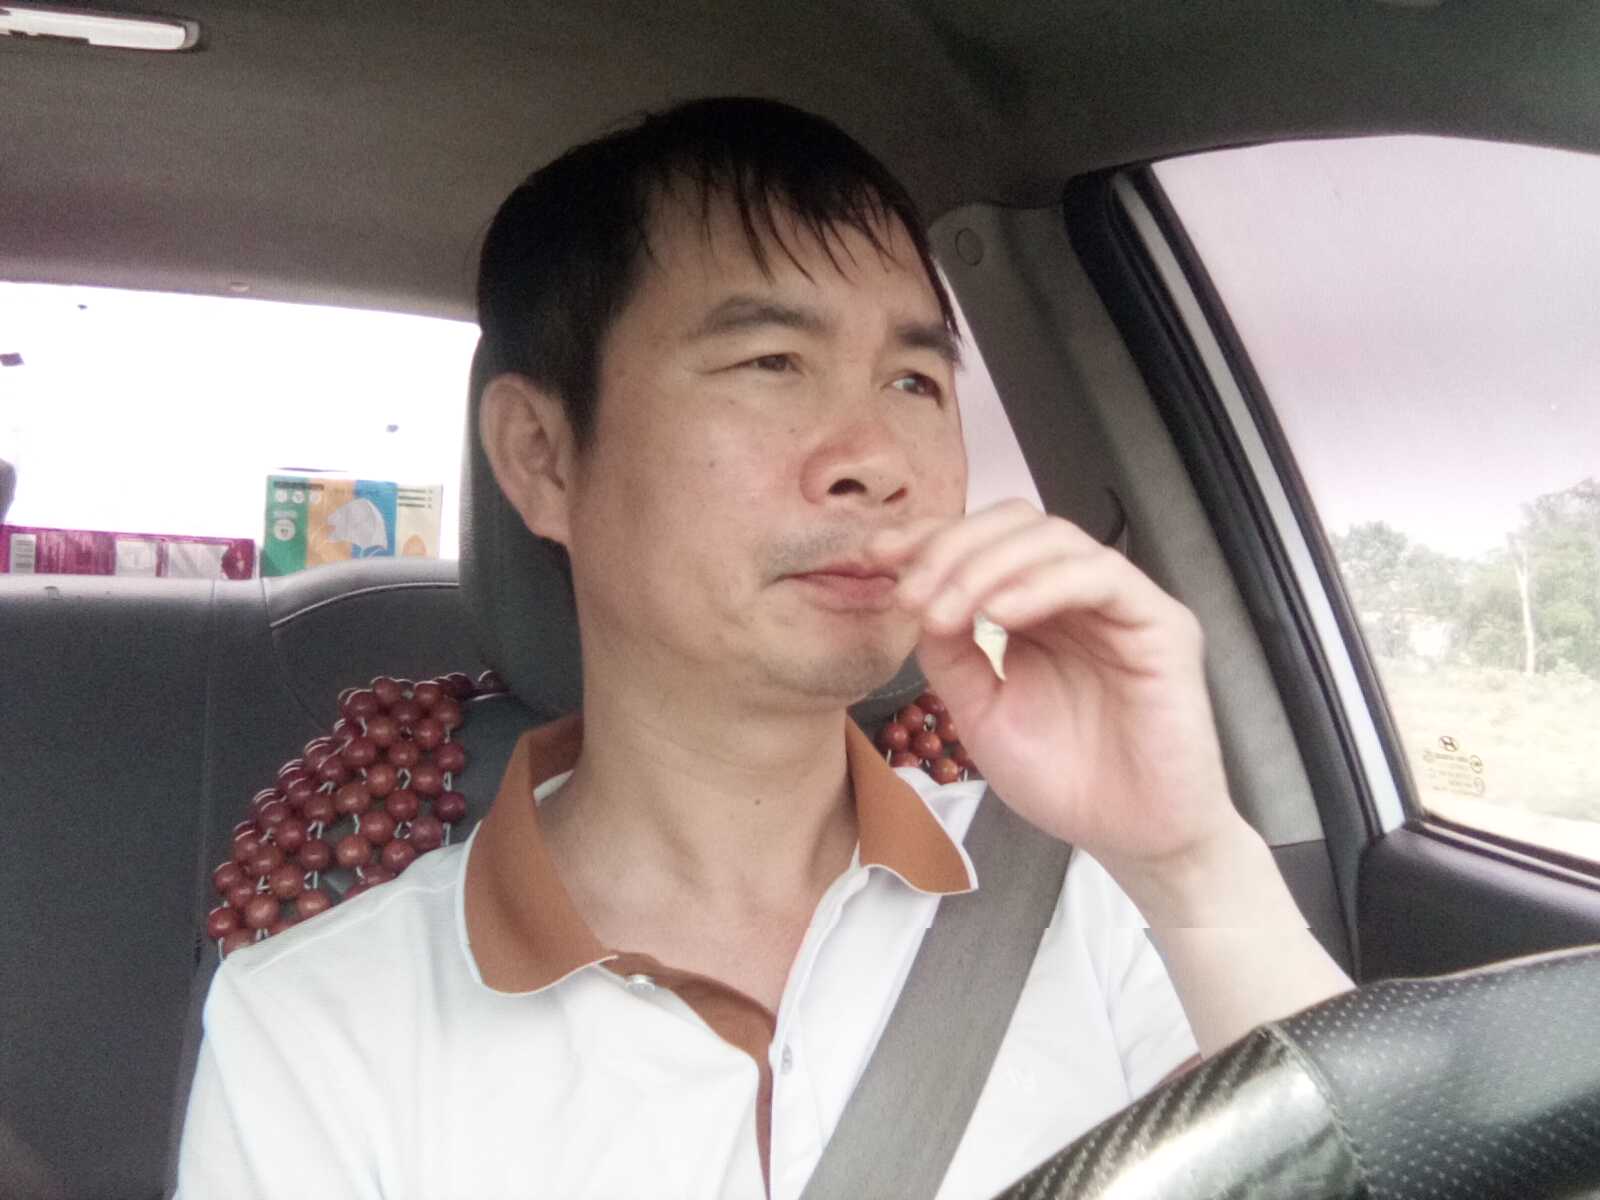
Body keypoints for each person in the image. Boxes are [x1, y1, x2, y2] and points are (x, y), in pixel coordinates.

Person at [176, 97, 1351, 1199]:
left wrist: (1194, 870)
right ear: (542, 456)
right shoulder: (320, 1026)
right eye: (770, 363)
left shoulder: (1093, 896)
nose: (875, 460)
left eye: (914, 379)